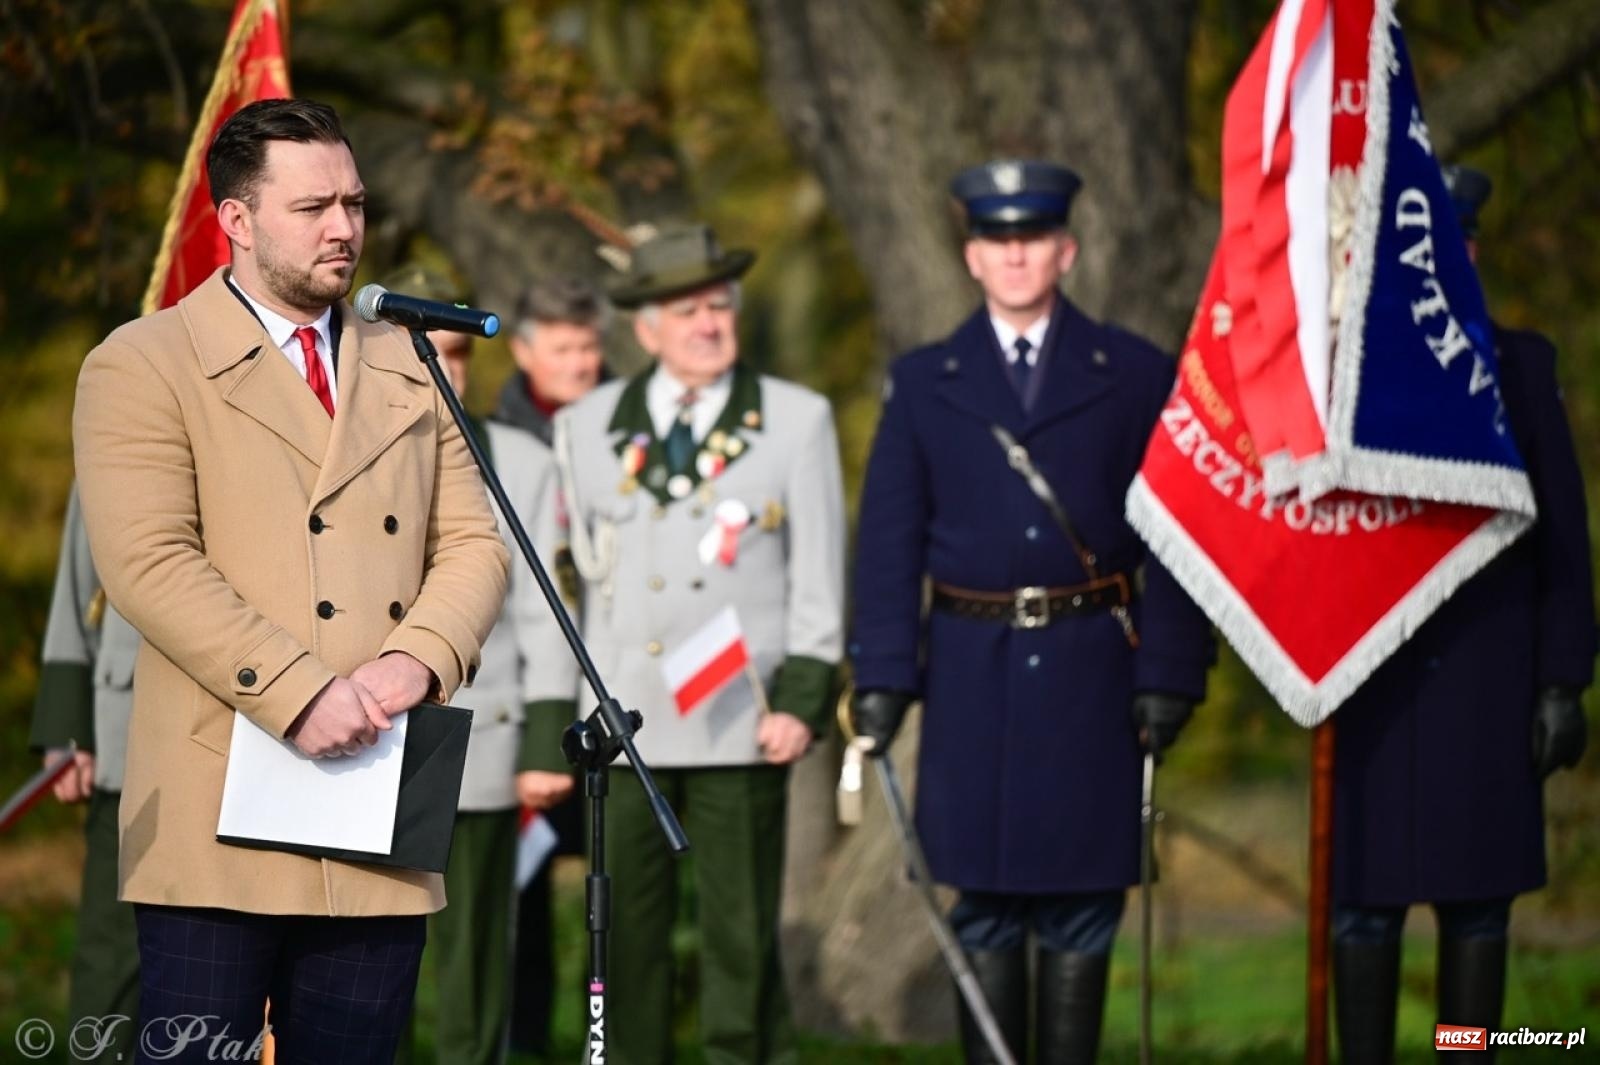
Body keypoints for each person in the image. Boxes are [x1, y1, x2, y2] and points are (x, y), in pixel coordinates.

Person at [70, 98, 509, 1064]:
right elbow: (148, 562)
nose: (345, 227)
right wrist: (303, 691)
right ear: (234, 219)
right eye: (313, 206)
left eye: (354, 202)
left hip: (380, 787)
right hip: (218, 798)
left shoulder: (409, 357)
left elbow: (477, 541)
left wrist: (415, 662)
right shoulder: (142, 362)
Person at [848, 160, 1215, 1065]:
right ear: (973, 257)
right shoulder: (926, 381)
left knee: (1084, 907)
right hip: (971, 676)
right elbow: (890, 542)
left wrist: (1169, 669)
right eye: (997, 242)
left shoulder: (1133, 373)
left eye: (1032, 241)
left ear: (1067, 249)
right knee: (981, 901)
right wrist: (885, 675)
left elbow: (1174, 537)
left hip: (1095, 672)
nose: (1015, 258)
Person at [525, 223, 846, 1064]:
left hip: (744, 714)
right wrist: (552, 720)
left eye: (717, 305)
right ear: (645, 329)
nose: (706, 322)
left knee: (741, 943)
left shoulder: (794, 419)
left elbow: (820, 576)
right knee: (623, 941)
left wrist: (807, 699)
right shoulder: (587, 427)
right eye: (684, 309)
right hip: (625, 721)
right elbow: (563, 588)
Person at [1329, 165, 1594, 1064]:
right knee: (1362, 908)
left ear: (1473, 250)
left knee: (1476, 907)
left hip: (1487, 685)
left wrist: (1564, 677)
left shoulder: (1523, 366)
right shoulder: (1343, 371)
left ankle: (1464, 1057)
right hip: (1371, 684)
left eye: (1457, 243)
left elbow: (1563, 535)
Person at [383, 265, 568, 1065]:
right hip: (359, 734)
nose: (441, 369)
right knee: (352, 954)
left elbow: (547, 610)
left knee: (475, 954)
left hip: (481, 734)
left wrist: (543, 741)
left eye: (456, 353)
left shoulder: (523, 461)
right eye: (421, 349)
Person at [491, 274, 606, 1058]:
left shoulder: (622, 424)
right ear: (526, 350)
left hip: (607, 695)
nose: (581, 363)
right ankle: (521, 1045)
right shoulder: (493, 435)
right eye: (563, 348)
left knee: (616, 900)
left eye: (591, 347)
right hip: (528, 698)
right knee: (518, 903)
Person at [29, 487, 141, 1062]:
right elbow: (79, 579)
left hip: (261, 739)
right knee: (112, 971)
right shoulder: (129, 406)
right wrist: (69, 722)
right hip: (129, 743)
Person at [493, 276, 609, 446]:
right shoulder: (494, 441)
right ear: (522, 352)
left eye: (588, 348)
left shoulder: (633, 420)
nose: (577, 366)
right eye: (561, 351)